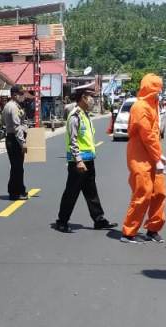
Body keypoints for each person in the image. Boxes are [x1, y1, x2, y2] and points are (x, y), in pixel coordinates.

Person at [53, 85, 117, 233]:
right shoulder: (75, 116)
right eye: (90, 97)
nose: (92, 100)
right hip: (78, 162)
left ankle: (99, 219)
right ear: (82, 98)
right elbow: (73, 140)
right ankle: (62, 221)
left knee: (91, 192)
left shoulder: (85, 115)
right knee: (71, 192)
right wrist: (79, 160)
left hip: (89, 160)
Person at [121, 73, 166, 244]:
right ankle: (129, 232)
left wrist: (159, 156)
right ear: (149, 89)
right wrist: (158, 158)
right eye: (157, 89)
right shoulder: (140, 107)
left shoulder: (153, 104)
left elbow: (154, 135)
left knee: (159, 193)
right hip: (139, 156)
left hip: (153, 154)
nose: (159, 93)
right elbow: (147, 135)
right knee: (143, 193)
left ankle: (153, 229)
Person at [2, 85, 29, 200]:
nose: (23, 96)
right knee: (17, 167)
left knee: (17, 167)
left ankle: (18, 190)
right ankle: (15, 192)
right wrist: (22, 143)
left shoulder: (11, 106)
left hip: (13, 138)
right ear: (14, 94)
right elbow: (16, 127)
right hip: (14, 139)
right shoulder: (13, 107)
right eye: (21, 93)